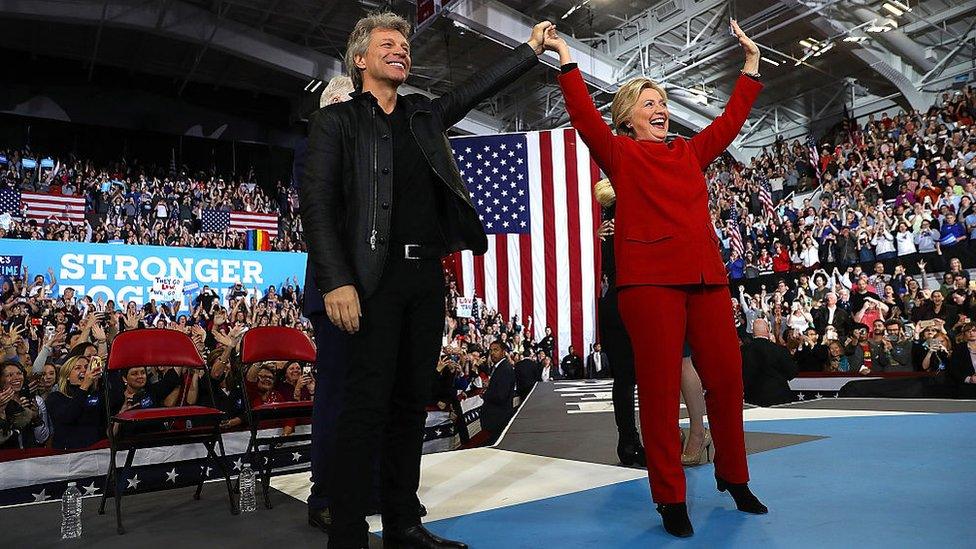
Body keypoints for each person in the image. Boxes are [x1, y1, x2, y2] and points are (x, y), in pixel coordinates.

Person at [300, 11, 552, 548]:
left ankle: (402, 525)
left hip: (423, 279)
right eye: (387, 43)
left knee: (410, 404)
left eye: (405, 45)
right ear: (361, 59)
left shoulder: (421, 116)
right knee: (364, 408)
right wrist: (336, 282)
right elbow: (317, 208)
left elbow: (473, 89)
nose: (401, 50)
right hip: (370, 281)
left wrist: (529, 50)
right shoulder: (336, 123)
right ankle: (346, 534)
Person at [552, 18, 767, 538]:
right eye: (648, 103)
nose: (661, 108)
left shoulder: (690, 152)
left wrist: (751, 66)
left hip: (706, 280)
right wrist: (566, 58)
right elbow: (583, 117)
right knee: (658, 388)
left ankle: (734, 476)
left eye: (663, 101)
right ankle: (670, 497)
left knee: (728, 381)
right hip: (649, 285)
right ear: (627, 119)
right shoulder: (621, 154)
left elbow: (730, 123)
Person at [740, 319, 798, 407]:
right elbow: (792, 372)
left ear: (753, 333)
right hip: (779, 397)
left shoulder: (742, 351)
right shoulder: (780, 350)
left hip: (752, 399)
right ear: (768, 330)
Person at [480, 340, 516, 444]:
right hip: (496, 418)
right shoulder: (499, 367)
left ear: (504, 352)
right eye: (490, 350)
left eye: (496, 350)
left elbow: (501, 396)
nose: (492, 353)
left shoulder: (504, 369)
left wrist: (485, 394)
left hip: (498, 419)